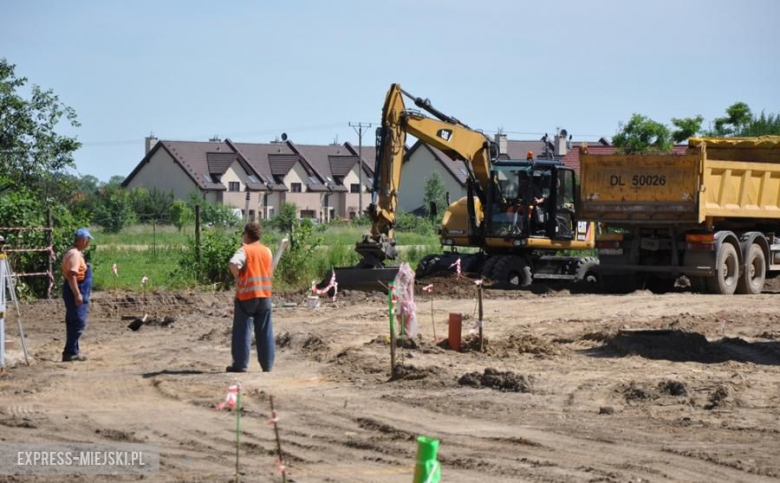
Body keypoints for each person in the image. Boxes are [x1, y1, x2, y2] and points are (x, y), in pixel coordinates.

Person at [227, 222, 274, 373]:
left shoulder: (244, 250)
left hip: (247, 296)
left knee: (243, 330)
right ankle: (267, 365)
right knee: (265, 330)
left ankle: (240, 364)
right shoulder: (267, 251)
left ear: (247, 234)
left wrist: (239, 278)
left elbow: (233, 264)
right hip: (265, 296)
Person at [62, 228, 93, 362]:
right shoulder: (75, 255)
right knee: (78, 321)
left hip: (73, 288)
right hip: (76, 288)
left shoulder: (73, 252)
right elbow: (72, 276)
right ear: (82, 240)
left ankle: (73, 350)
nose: (88, 243)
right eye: (87, 240)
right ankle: (70, 352)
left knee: (73, 321)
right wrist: (77, 294)